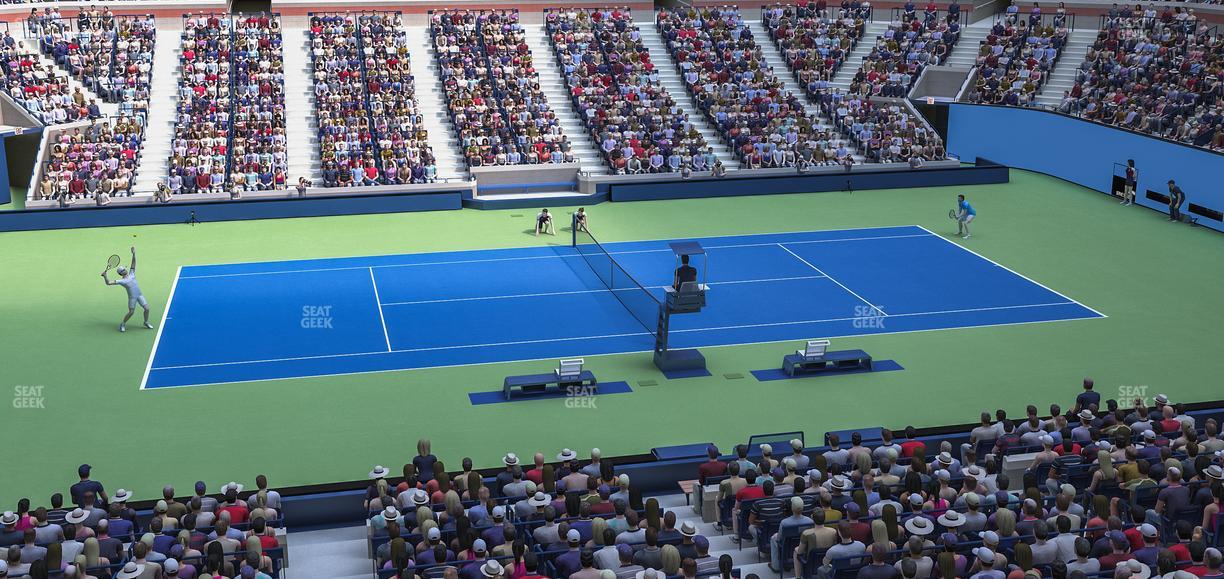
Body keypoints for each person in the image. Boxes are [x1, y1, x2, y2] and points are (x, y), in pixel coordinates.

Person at [101, 247, 153, 332]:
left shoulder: (132, 273)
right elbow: (108, 283)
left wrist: (134, 254)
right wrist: (105, 276)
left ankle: (146, 322)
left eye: (124, 269)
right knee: (131, 312)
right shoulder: (122, 281)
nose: (125, 270)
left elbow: (133, 263)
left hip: (140, 295)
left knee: (147, 308)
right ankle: (123, 324)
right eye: (123, 270)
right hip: (132, 298)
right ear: (120, 273)